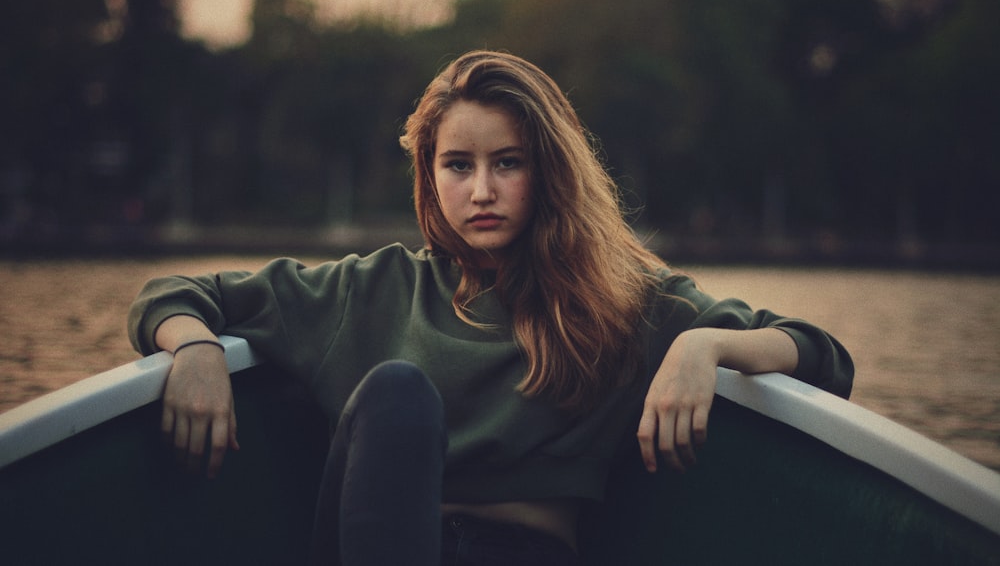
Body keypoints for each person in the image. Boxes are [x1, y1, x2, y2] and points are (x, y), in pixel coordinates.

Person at [128, 50, 853, 565]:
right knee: (398, 393)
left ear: (548, 171)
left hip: (527, 553)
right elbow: (177, 294)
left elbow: (821, 354)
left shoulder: (626, 300)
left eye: (507, 163)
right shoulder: (372, 289)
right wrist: (194, 349)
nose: (481, 190)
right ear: (429, 174)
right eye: (457, 166)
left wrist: (706, 347)